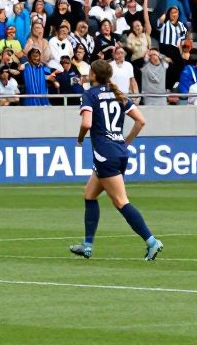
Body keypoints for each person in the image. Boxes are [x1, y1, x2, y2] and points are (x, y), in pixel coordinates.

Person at [70, 59, 163, 262]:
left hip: (105, 155)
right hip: (118, 152)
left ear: (94, 75)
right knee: (89, 194)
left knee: (121, 201)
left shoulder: (90, 95)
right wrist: (125, 143)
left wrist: (79, 139)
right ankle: (87, 245)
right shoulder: (118, 94)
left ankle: (152, 241)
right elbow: (141, 121)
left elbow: (86, 122)